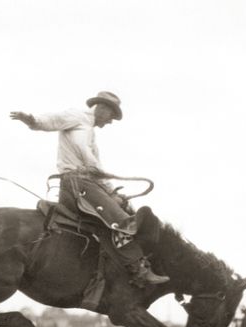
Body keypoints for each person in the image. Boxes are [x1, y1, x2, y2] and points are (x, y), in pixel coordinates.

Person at [10, 92, 169, 292]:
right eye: (111, 116)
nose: (110, 122)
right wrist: (32, 120)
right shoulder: (77, 116)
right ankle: (139, 269)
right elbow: (52, 120)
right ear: (102, 109)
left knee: (109, 221)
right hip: (78, 184)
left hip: (85, 184)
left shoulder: (90, 134)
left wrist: (111, 192)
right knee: (120, 220)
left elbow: (97, 168)